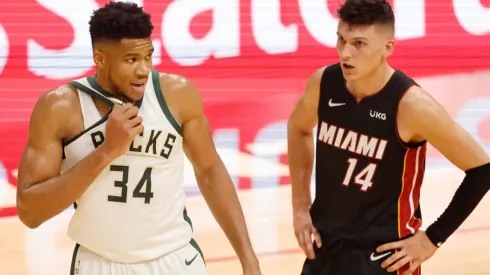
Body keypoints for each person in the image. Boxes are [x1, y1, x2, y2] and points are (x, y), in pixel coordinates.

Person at [15, 2, 262, 275]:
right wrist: (106, 152)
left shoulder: (176, 95)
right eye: (131, 60)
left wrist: (248, 257)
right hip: (100, 262)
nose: (143, 70)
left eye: (148, 57)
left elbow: (210, 172)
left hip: (175, 260)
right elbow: (30, 212)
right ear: (100, 59)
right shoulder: (61, 107)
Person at [287, 0, 490, 274]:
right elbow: (298, 128)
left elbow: (482, 169)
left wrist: (432, 239)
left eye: (359, 44)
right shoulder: (324, 83)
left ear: (387, 48)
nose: (346, 53)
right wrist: (300, 206)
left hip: (384, 259)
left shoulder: (412, 105)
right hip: (325, 250)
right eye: (341, 39)